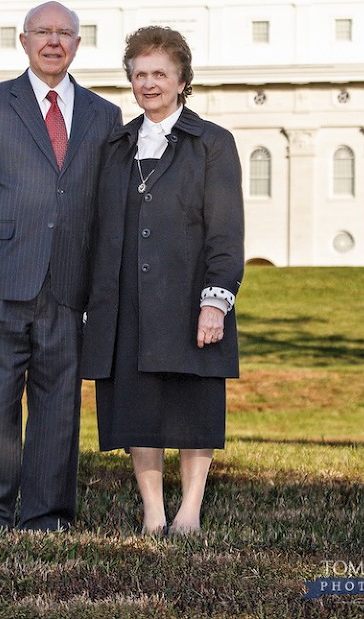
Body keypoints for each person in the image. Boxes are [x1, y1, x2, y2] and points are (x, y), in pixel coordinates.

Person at [0, 0, 122, 531]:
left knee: (58, 407)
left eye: (64, 33)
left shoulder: (103, 115)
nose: (53, 41)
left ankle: (48, 516)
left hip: (69, 283)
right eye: (42, 32)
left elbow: (105, 202)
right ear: (23, 41)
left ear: (77, 43)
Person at [81, 26, 244, 535]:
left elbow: (226, 230)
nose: (149, 84)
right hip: (125, 300)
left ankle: (189, 512)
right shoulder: (115, 144)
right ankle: (153, 513)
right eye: (140, 74)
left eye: (160, 74)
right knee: (138, 407)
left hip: (188, 298)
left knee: (194, 406)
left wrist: (215, 302)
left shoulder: (213, 143)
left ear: (181, 80)